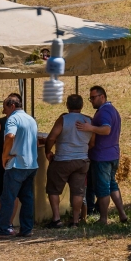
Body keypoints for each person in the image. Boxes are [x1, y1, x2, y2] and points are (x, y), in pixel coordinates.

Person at [0, 93, 39, 239]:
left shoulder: (12, 118)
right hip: (31, 164)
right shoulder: (31, 119)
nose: (3, 112)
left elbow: (9, 136)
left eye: (5, 108)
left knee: (7, 198)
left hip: (16, 164)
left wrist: (4, 154)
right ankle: (26, 229)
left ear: (12, 106)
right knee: (27, 198)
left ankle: (1, 231)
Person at [76, 86, 128, 225]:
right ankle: (122, 214)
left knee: (103, 188)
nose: (91, 101)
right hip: (113, 154)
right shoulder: (112, 110)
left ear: (102, 97)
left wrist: (90, 128)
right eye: (90, 98)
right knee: (112, 185)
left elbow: (106, 129)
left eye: (93, 97)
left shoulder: (104, 112)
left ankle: (103, 219)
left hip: (102, 156)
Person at [44, 94, 94, 228]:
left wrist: (48, 152)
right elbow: (92, 143)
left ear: (67, 105)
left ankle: (56, 219)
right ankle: (75, 220)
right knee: (78, 191)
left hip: (63, 160)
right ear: (82, 106)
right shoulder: (89, 120)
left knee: (54, 190)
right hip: (82, 161)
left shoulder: (63, 120)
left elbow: (51, 138)